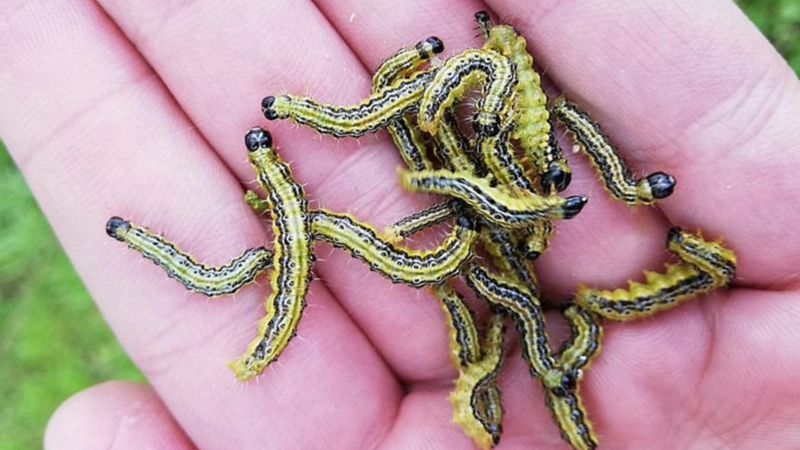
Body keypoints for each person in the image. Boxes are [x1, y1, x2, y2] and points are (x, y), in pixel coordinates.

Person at [2, 1, 799, 449]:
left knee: (455, 257)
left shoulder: (488, 169)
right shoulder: (458, 144)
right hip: (459, 194)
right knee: (437, 254)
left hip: (473, 203)